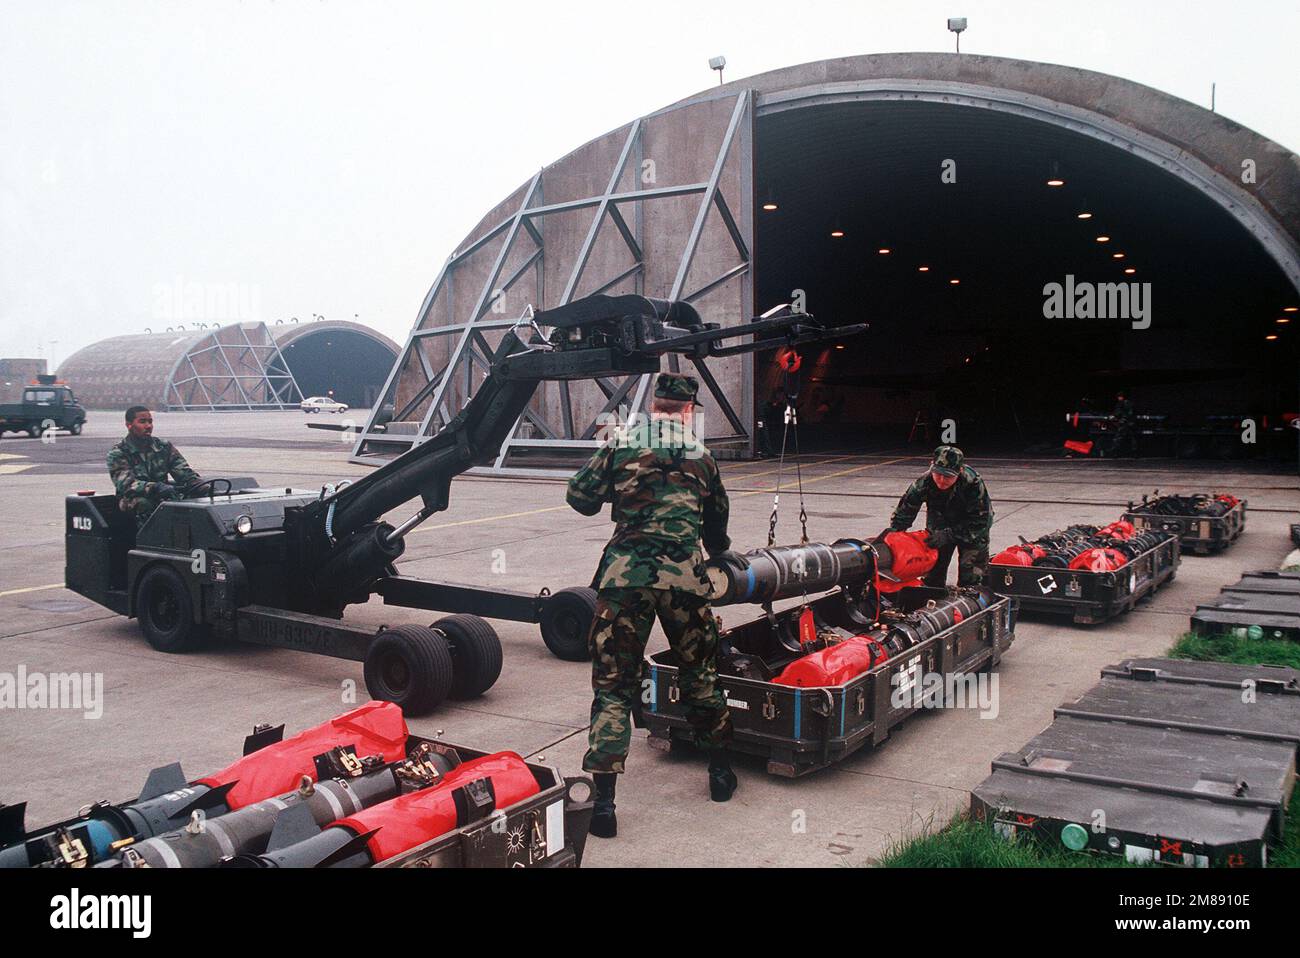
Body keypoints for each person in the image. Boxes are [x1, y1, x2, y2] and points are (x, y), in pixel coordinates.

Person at [566, 372, 735, 839]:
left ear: (654, 403)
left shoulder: (622, 440)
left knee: (615, 687)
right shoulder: (703, 454)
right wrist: (712, 548)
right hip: (684, 578)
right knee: (699, 673)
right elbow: (718, 525)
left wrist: (620, 493)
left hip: (626, 579)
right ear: (689, 410)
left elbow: (579, 498)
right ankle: (720, 774)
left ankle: (603, 805)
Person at [886, 445, 992, 588]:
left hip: (971, 529)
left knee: (971, 579)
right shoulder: (924, 482)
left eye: (948, 476)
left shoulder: (972, 484)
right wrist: (894, 536)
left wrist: (950, 535)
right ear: (931, 467)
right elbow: (905, 511)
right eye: (938, 474)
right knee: (931, 576)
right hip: (939, 525)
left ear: (959, 471)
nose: (941, 480)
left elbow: (982, 521)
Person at [106, 406, 202, 527]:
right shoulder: (119, 452)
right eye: (142, 422)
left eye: (150, 421)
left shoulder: (163, 446)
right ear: (129, 425)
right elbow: (126, 485)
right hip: (132, 499)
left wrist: (203, 487)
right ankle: (148, 542)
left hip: (164, 494)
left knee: (195, 500)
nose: (148, 426)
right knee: (144, 503)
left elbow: (183, 472)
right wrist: (155, 487)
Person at [1106, 391, 1137, 458]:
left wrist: (1113, 416)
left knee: (1118, 438)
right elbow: (1131, 413)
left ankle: (1114, 453)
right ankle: (1134, 453)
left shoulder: (1121, 403)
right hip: (1131, 423)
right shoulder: (1130, 403)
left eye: (1119, 397)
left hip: (1124, 423)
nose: (1118, 398)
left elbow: (1118, 413)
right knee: (1132, 439)